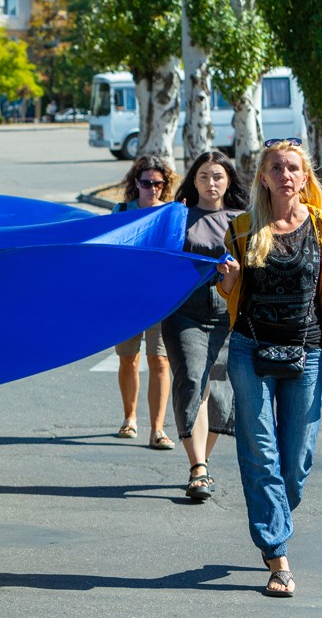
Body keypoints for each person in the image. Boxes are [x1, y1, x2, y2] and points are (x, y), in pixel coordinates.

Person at [216, 138, 322, 598]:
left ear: (306, 177)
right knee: (260, 454)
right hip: (250, 349)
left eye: (293, 168)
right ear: (264, 178)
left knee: (295, 461)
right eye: (276, 168)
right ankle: (278, 557)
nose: (285, 175)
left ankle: (274, 517)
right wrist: (227, 278)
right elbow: (229, 292)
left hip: (308, 352)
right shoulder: (242, 227)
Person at [160, 151, 248, 501]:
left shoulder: (243, 219)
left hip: (229, 314)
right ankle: (198, 466)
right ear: (193, 180)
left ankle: (202, 462)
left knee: (221, 393)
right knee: (193, 379)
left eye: (218, 177)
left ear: (228, 180)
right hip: (184, 313)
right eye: (204, 177)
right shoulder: (177, 217)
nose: (211, 183)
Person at [111, 155, 176, 449]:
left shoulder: (172, 213)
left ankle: (158, 429)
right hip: (126, 299)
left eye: (158, 184)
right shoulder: (122, 211)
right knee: (128, 358)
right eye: (147, 183)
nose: (153, 189)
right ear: (136, 183)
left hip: (160, 299)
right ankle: (130, 418)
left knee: (160, 360)